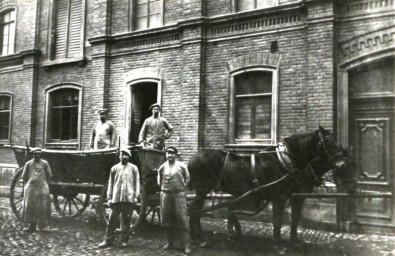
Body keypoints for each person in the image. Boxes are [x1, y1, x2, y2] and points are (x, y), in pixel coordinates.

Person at [98, 147, 140, 248]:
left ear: (129, 157)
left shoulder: (134, 168)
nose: (123, 156)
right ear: (119, 156)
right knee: (112, 220)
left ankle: (124, 240)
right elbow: (110, 184)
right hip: (116, 198)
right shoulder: (114, 168)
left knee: (126, 220)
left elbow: (137, 183)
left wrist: (136, 196)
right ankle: (108, 240)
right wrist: (109, 198)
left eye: (126, 154)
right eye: (122, 154)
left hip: (128, 198)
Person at [157, 146, 191, 254]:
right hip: (166, 195)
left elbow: (188, 177)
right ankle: (169, 243)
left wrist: (183, 187)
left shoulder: (181, 166)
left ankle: (186, 245)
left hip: (179, 195)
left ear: (175, 154)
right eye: (168, 153)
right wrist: (161, 186)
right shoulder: (163, 166)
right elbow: (158, 175)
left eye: (172, 153)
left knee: (182, 219)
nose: (169, 155)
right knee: (166, 218)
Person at [22, 148, 52, 232]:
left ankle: (42, 226)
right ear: (32, 155)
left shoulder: (45, 163)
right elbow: (24, 176)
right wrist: (31, 182)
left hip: (42, 187)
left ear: (40, 154)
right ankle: (32, 226)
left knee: (43, 205)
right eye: (35, 154)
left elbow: (49, 175)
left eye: (38, 154)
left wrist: (43, 182)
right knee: (31, 206)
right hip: (31, 187)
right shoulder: (28, 164)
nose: (36, 155)